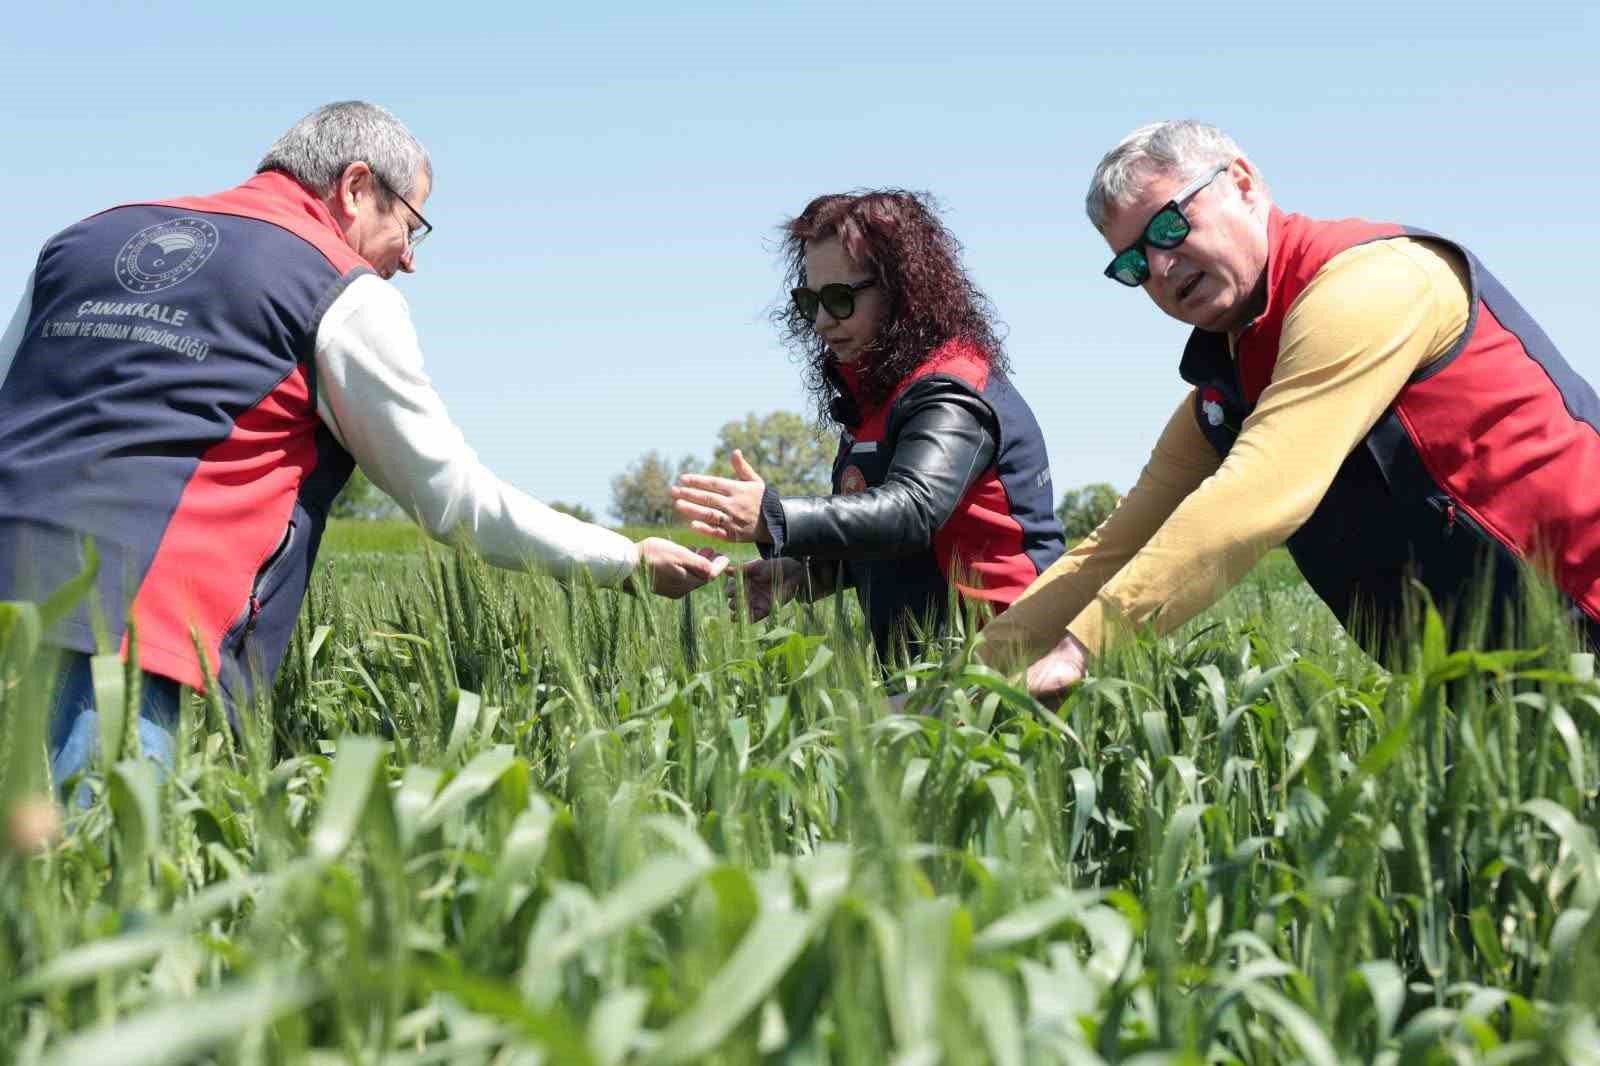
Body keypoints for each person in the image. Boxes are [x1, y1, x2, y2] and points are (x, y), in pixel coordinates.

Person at [0, 101, 725, 793]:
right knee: (93, 890)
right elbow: (453, 501)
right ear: (354, 187)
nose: (410, 258)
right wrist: (627, 561)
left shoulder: (82, 240)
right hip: (129, 645)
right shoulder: (336, 287)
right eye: (412, 224)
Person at [981, 120, 1600, 698]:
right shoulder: (1228, 392)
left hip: (1584, 619)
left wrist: (1083, 650)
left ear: (1243, 184)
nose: (1162, 266)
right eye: (1134, 263)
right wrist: (964, 681)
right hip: (1487, 683)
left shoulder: (1373, 281)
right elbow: (1110, 549)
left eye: (1169, 226)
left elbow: (1257, 493)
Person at [670, 190, 1064, 659]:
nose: (820, 320)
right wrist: (805, 572)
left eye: (839, 298)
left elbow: (913, 510)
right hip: (930, 673)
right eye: (808, 300)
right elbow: (890, 543)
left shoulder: (951, 390)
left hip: (1009, 666)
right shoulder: (875, 396)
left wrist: (775, 516)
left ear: (902, 290)